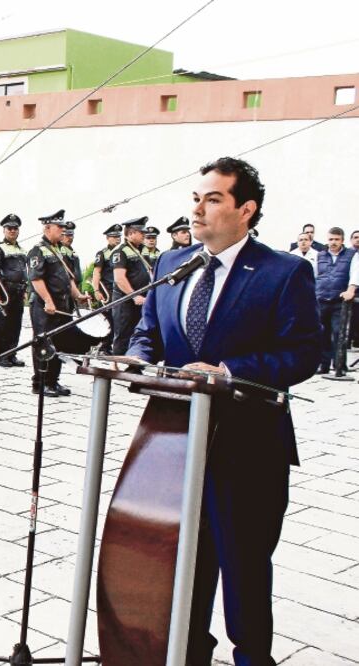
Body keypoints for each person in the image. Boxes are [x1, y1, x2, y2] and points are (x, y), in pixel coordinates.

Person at [122, 157, 320, 666]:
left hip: (247, 446)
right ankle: (189, 654)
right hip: (173, 441)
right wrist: (137, 357)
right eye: (196, 198)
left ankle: (252, 657)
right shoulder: (171, 264)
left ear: (245, 209)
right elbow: (150, 330)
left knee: (244, 565)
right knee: (182, 562)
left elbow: (304, 352)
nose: (198, 210)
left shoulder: (283, 272)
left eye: (213, 200)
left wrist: (230, 370)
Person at [28, 209, 88, 397]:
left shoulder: (60, 250)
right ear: (47, 228)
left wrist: (78, 295)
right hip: (45, 307)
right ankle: (40, 383)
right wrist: (48, 300)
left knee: (60, 343)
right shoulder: (38, 250)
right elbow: (36, 279)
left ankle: (53, 380)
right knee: (44, 343)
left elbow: (68, 278)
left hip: (62, 305)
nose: (63, 230)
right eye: (59, 227)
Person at [314, 227, 356, 374]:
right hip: (321, 298)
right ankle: (323, 365)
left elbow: (356, 273)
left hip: (340, 300)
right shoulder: (320, 255)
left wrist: (350, 290)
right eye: (331, 239)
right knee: (322, 332)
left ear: (342, 240)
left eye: (336, 239)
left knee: (339, 333)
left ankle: (340, 366)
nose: (333, 242)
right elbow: (315, 275)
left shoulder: (352, 255)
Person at [0, 214, 28, 367]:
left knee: (15, 324)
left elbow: (23, 271)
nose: (12, 231)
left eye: (15, 228)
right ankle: (1, 357)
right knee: (3, 324)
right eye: (9, 228)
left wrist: (25, 290)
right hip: (5, 291)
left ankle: (12, 354)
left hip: (19, 291)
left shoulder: (21, 249)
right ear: (4, 230)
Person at [110, 217, 151, 355]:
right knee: (123, 335)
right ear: (131, 233)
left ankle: (134, 361)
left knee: (138, 334)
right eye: (141, 232)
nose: (144, 235)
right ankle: (117, 364)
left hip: (141, 299)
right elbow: (119, 278)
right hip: (125, 301)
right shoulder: (121, 251)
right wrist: (134, 296)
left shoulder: (141, 250)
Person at [90, 224, 123, 354]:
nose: (117, 239)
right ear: (108, 238)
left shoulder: (123, 251)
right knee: (108, 319)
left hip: (121, 289)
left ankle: (119, 346)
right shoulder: (103, 253)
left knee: (121, 319)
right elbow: (96, 272)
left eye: (118, 237)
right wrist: (96, 290)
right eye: (114, 237)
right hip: (107, 290)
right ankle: (105, 346)